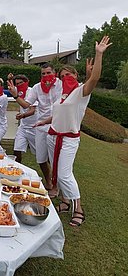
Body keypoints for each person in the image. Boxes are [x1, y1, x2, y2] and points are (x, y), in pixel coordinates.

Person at [36, 36, 112, 227]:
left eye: (68, 75)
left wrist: (98, 54)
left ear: (76, 77)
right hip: (52, 137)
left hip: (68, 139)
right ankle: (64, 201)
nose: (65, 79)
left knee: (64, 174)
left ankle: (78, 208)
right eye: (62, 77)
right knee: (56, 171)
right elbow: (58, 115)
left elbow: (94, 78)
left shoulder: (80, 93)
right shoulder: (61, 96)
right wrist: (44, 121)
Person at [7, 63, 62, 195]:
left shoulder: (60, 84)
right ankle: (49, 182)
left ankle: (57, 185)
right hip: (40, 127)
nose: (46, 75)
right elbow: (27, 104)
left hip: (56, 126)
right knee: (41, 158)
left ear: (54, 73)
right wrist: (15, 96)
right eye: (43, 73)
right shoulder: (37, 88)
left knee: (54, 159)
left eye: (49, 72)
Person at [10, 74, 38, 163]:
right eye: (17, 84)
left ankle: (53, 172)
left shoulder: (32, 92)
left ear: (27, 82)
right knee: (17, 150)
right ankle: (16, 169)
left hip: (34, 127)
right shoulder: (19, 92)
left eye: (21, 83)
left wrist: (23, 115)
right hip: (23, 126)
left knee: (41, 155)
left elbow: (32, 110)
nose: (19, 85)